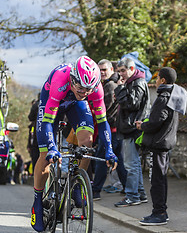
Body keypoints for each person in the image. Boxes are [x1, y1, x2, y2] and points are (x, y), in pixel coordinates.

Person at [31, 56, 118, 232]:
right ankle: (37, 201)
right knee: (45, 154)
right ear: (73, 79)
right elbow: (47, 121)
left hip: (75, 105)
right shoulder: (60, 80)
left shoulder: (95, 89)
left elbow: (102, 123)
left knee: (87, 142)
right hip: (52, 102)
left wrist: (109, 150)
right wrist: (52, 147)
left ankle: (77, 184)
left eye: (89, 89)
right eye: (81, 88)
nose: (85, 92)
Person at [135, 67, 187, 225]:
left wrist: (142, 126)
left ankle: (159, 213)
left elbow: (156, 121)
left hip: (158, 144)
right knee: (160, 179)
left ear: (163, 80)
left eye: (157, 78)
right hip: (165, 143)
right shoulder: (173, 95)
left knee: (156, 181)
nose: (155, 81)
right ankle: (160, 211)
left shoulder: (164, 97)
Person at [114, 57, 150, 207]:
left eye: (123, 70)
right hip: (131, 128)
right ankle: (139, 194)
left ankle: (132, 196)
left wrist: (120, 90)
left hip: (132, 129)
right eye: (119, 71)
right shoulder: (132, 82)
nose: (121, 74)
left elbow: (132, 103)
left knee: (131, 165)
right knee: (133, 163)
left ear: (132, 69)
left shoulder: (138, 82)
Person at [92, 59, 128, 200]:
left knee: (102, 159)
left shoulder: (109, 86)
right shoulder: (112, 84)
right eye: (99, 70)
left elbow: (104, 111)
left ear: (111, 70)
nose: (102, 72)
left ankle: (95, 191)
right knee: (117, 160)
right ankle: (127, 187)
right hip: (115, 129)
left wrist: (94, 112)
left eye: (104, 70)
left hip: (110, 129)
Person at [27, 93, 40, 172]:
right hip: (52, 133)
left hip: (37, 133)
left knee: (36, 156)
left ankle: (37, 177)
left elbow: (30, 117)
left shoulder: (36, 105)